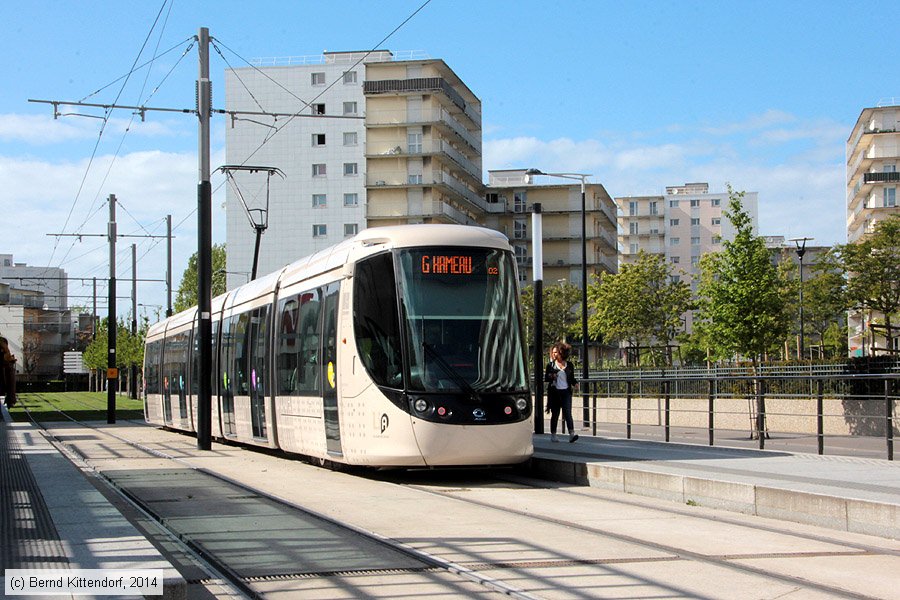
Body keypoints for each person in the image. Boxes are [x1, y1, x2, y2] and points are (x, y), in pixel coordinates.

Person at [544, 342, 578, 443]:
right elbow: (546, 378)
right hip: (555, 392)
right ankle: (553, 434)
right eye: (553, 352)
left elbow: (571, 378)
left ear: (562, 352)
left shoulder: (569, 365)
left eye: (556, 352)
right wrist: (552, 376)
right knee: (555, 414)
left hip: (566, 392)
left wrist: (575, 384)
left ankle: (572, 434)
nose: (554, 354)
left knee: (568, 413)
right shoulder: (551, 365)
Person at [0, 335, 17, 408]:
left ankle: (11, 399)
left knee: (10, 370)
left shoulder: (2, 341)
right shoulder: (2, 341)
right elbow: (7, 355)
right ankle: (11, 399)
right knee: (10, 371)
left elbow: (7, 355)